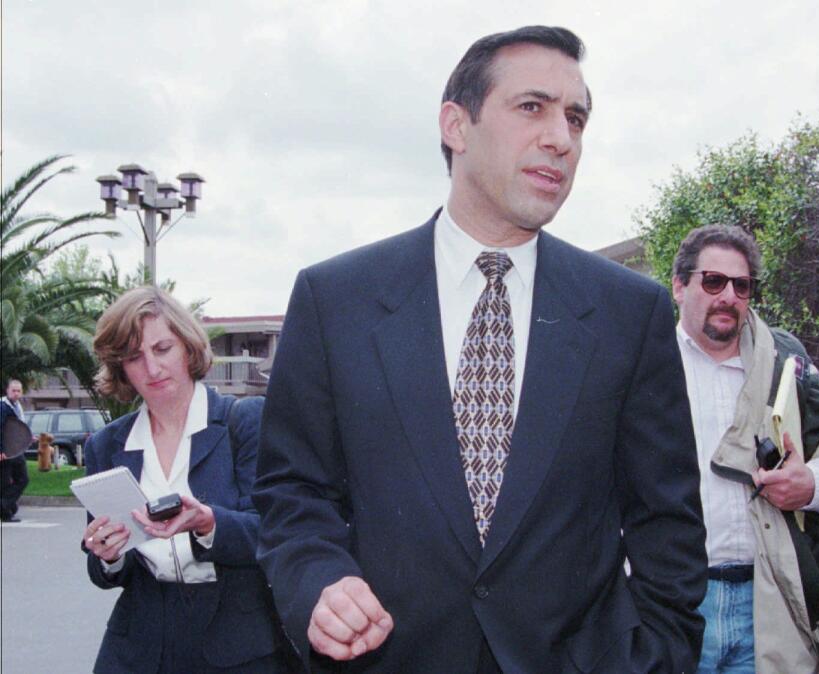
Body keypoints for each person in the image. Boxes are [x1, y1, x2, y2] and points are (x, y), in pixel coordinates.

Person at [253, 26, 708, 672]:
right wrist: (319, 585)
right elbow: (293, 491)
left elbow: (669, 523)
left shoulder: (627, 313)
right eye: (533, 107)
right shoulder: (336, 301)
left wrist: (655, 658)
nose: (562, 138)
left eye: (576, 118)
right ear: (456, 126)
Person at [670, 224, 819, 673]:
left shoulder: (786, 363)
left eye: (741, 285)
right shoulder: (646, 362)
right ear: (679, 287)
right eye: (712, 281)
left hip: (767, 608)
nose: (728, 295)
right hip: (672, 606)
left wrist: (810, 485)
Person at [81, 287, 291, 673]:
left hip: (237, 644)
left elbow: (275, 533)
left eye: (162, 349)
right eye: (134, 357)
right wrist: (108, 556)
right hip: (137, 648)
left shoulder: (243, 422)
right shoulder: (107, 446)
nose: (152, 369)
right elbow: (106, 573)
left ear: (188, 346)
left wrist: (210, 523)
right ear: (120, 368)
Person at [1, 379, 31, 522]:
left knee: (20, 479)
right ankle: (5, 508)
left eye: (18, 391)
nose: (16, 393)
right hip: (6, 451)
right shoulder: (3, 407)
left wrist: (29, 438)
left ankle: (7, 508)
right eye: (13, 390)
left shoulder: (17, 406)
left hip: (16, 450)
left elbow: (17, 429)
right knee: (13, 481)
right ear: (7, 391)